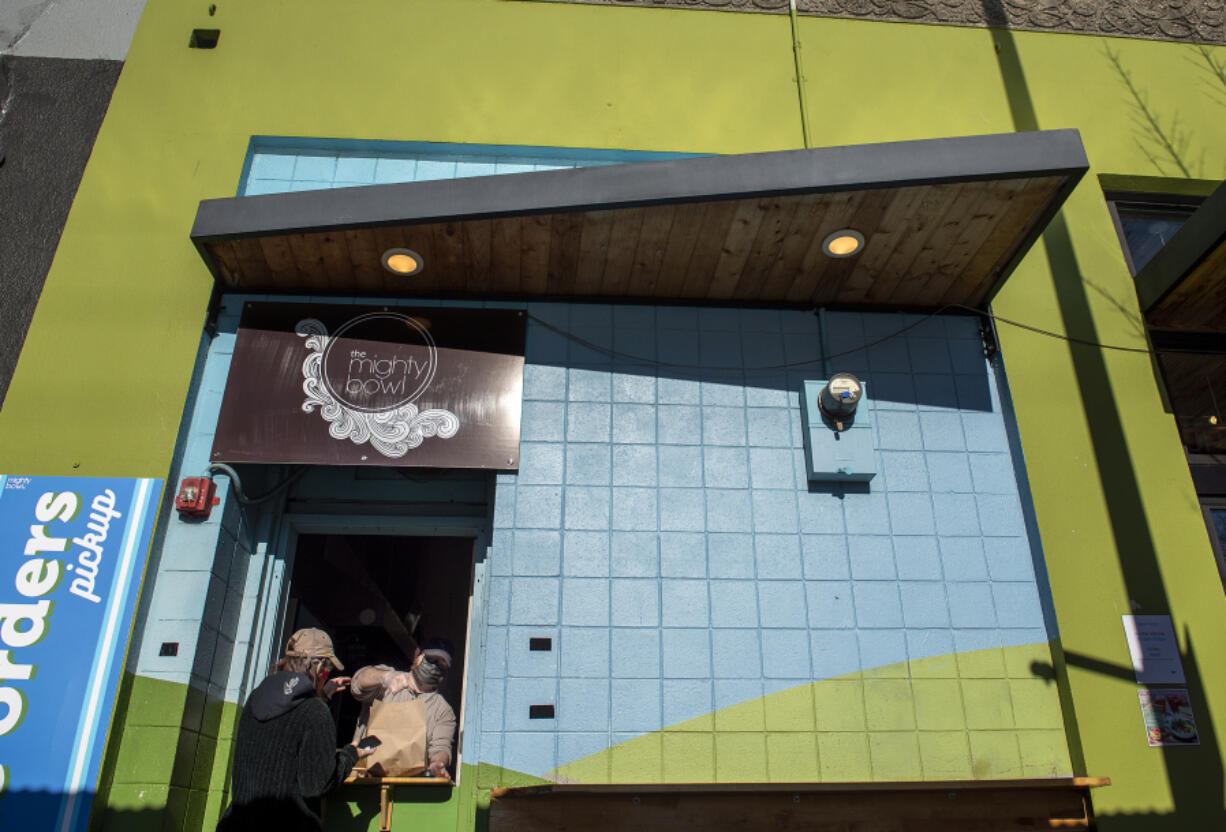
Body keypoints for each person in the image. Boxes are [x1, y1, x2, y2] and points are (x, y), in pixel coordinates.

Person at [217, 628, 374, 832]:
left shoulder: (255, 699)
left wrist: (322, 695)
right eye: (327, 672)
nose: (326, 677)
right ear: (318, 669)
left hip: (237, 824)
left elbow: (284, 725)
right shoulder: (315, 712)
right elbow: (317, 784)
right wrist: (351, 753)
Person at [350, 637, 457, 778]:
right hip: (364, 781)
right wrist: (386, 677)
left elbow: (441, 747)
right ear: (417, 654)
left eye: (441, 664)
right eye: (431, 659)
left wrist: (437, 764)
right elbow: (358, 684)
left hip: (409, 788)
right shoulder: (389, 683)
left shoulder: (443, 710)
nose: (434, 667)